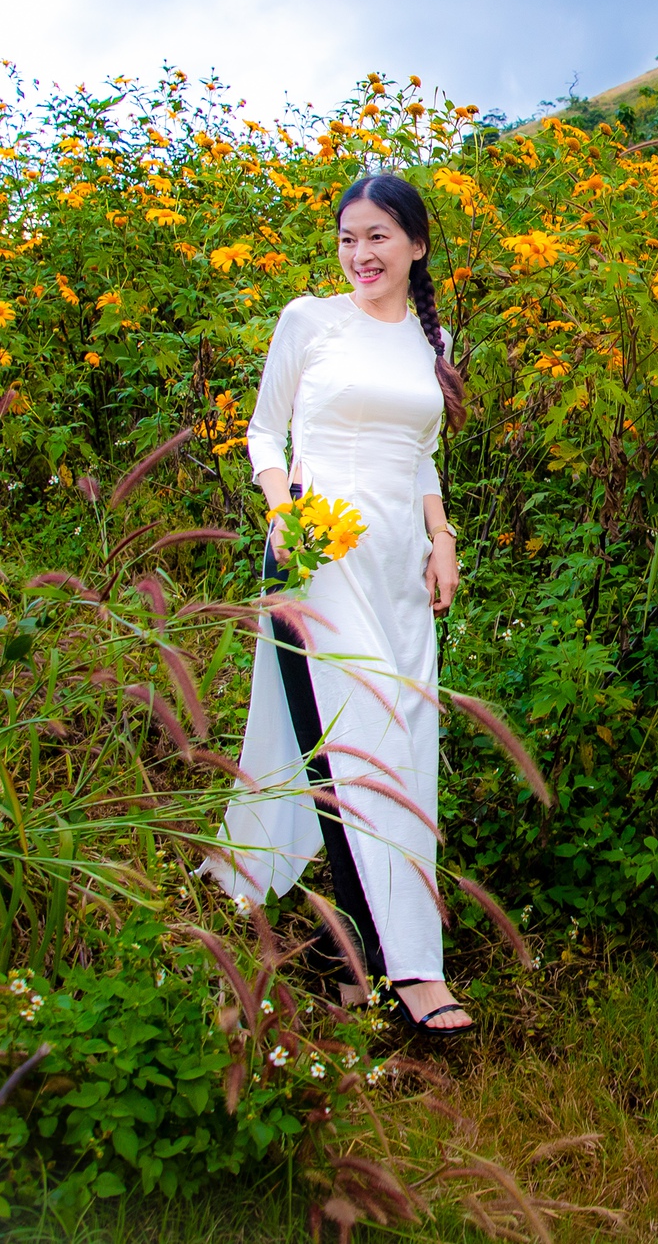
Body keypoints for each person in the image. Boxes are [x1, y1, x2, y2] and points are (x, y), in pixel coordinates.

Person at [206, 171, 471, 1035]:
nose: (361, 254)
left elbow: (422, 454)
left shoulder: (433, 339)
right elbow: (261, 430)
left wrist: (442, 540)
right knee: (348, 754)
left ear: (416, 245)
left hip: (399, 570)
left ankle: (346, 958)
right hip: (318, 559)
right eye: (349, 238)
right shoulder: (309, 320)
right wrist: (282, 514)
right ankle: (408, 973)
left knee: (403, 744)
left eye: (379, 238)